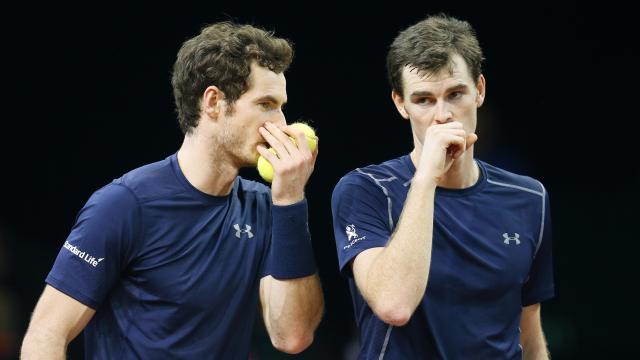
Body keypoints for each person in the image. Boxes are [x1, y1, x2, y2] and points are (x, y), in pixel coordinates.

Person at [21, 22, 324, 359]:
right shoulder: (124, 204)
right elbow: (45, 336)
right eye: (266, 104)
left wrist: (290, 201)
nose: (281, 125)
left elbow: (292, 336)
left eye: (281, 106)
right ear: (213, 102)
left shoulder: (267, 208)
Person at [331, 14, 554, 359]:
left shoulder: (529, 197)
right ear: (400, 104)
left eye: (455, 94)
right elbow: (394, 304)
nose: (443, 115)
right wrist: (426, 179)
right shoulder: (366, 190)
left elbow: (529, 328)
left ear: (479, 90)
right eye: (423, 100)